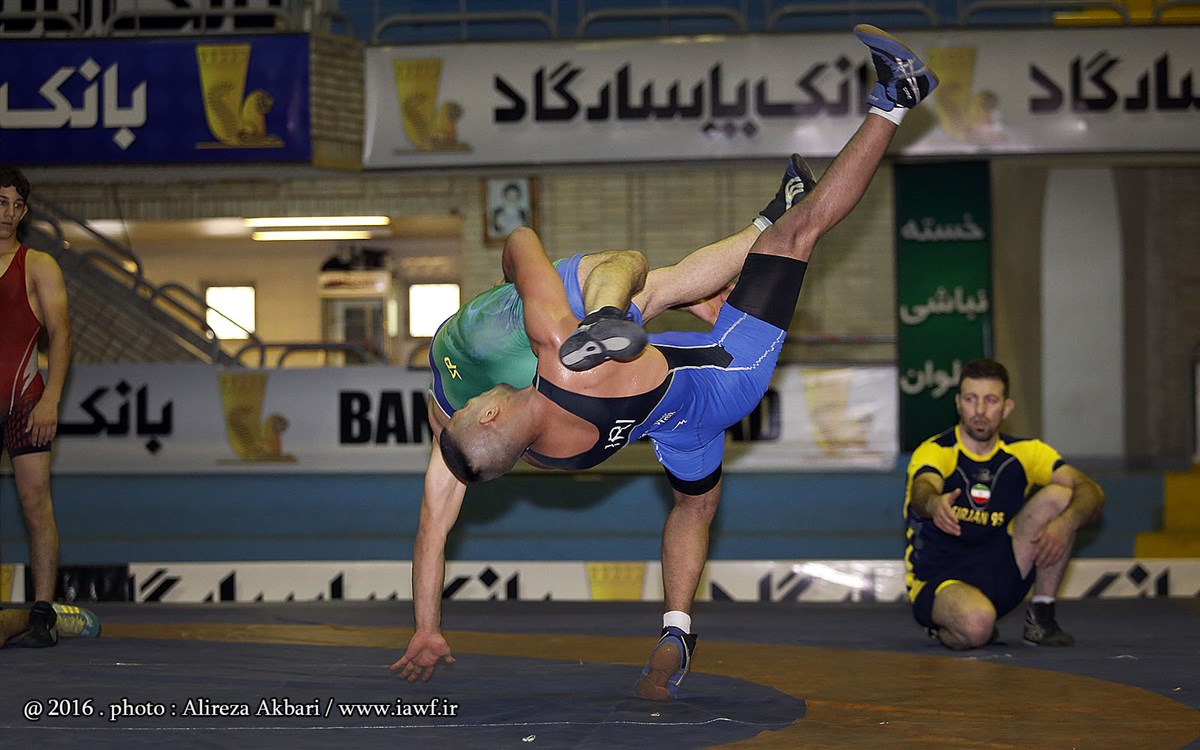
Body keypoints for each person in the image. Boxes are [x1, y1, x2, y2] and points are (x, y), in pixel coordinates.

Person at [426, 25, 939, 700]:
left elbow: (493, 449)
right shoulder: (555, 348)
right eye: (469, 407)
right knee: (793, 236)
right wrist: (526, 275)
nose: (468, 401)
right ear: (492, 411)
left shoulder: (552, 458)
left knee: (693, 505)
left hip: (681, 428)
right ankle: (896, 100)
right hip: (728, 370)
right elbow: (522, 238)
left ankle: (677, 631)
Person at [394, 154, 814, 686]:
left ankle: (632, 305)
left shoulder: (459, 442)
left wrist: (426, 628)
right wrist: (513, 273)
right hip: (516, 336)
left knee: (652, 288)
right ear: (484, 413)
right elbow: (519, 239)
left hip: (527, 350)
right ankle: (624, 305)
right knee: (647, 279)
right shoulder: (463, 414)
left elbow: (432, 530)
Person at [903, 358, 1105, 649]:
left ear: (1006, 407)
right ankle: (948, 625)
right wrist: (934, 504)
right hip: (941, 578)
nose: (980, 411)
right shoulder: (936, 451)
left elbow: (1091, 489)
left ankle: (1041, 616)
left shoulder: (1026, 452)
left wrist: (1065, 524)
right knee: (977, 625)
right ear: (958, 404)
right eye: (971, 399)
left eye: (990, 400)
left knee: (1062, 497)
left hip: (1000, 570)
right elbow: (922, 488)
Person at [0, 165, 72, 647]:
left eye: (16, 205)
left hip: (25, 401)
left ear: (24, 212)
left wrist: (51, 399)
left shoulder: (39, 264)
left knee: (35, 501)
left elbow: (61, 334)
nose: (8, 213)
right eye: (0, 202)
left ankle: (42, 613)